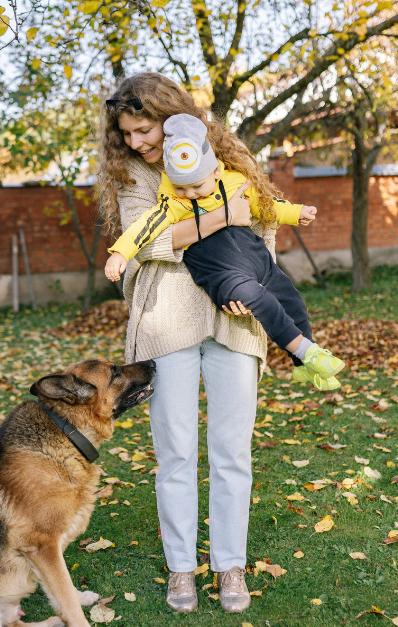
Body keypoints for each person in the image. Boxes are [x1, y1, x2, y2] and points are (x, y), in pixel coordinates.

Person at [95, 72, 275, 614]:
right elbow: (146, 240)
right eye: (126, 134)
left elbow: (262, 223)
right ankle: (181, 569)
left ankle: (230, 566)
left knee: (231, 451)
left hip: (233, 317)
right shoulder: (131, 173)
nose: (136, 143)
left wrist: (249, 281)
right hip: (164, 319)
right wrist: (224, 216)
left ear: (174, 119)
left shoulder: (228, 154)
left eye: (143, 129)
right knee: (175, 453)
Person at [104, 113, 345, 390]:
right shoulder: (173, 204)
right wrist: (120, 253)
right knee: (262, 301)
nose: (191, 193)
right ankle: (308, 352)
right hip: (224, 277)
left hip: (258, 261)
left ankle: (302, 364)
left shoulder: (234, 184)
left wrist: (296, 212)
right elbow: (141, 230)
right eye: (181, 187)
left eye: (197, 186)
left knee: (293, 302)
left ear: (216, 171)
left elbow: (267, 205)